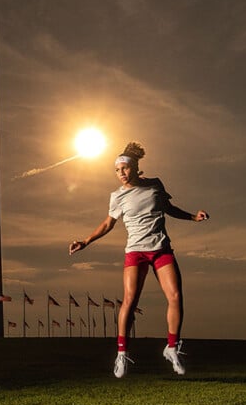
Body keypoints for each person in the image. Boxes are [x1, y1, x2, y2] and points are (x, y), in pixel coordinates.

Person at [69, 142, 209, 378]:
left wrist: (194, 217)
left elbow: (169, 208)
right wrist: (86, 240)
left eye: (124, 168)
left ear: (134, 168)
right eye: (117, 170)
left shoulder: (155, 184)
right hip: (136, 252)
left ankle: (172, 348)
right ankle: (122, 354)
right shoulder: (117, 196)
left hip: (161, 249)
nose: (121, 173)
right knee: (130, 301)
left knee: (175, 296)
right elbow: (107, 224)